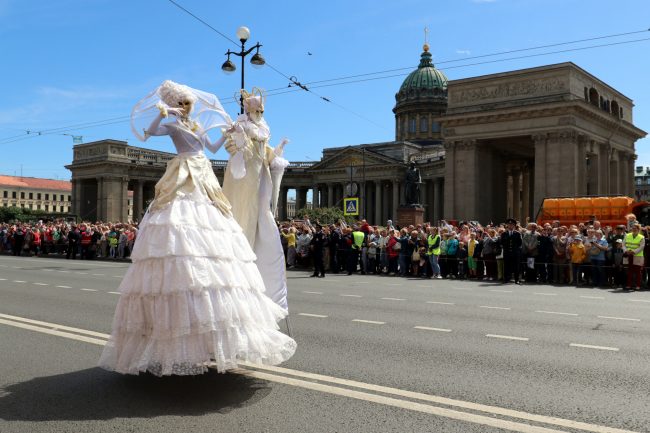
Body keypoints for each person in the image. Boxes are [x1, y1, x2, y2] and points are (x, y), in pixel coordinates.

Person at [99, 80, 295, 376]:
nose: (186, 107)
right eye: (182, 103)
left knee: (213, 237)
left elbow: (212, 147)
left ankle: (211, 336)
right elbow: (150, 133)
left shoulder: (196, 126)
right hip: (183, 173)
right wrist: (161, 114)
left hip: (204, 175)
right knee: (180, 229)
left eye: (187, 103)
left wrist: (230, 135)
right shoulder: (172, 124)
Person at [221, 88, 291, 310]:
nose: (260, 113)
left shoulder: (261, 128)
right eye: (257, 109)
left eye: (261, 110)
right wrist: (239, 138)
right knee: (244, 213)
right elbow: (233, 147)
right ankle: (240, 255)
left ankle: (253, 257)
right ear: (249, 109)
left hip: (260, 175)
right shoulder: (242, 124)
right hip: (244, 177)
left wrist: (277, 150)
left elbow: (266, 151)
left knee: (260, 213)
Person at [501, 218, 522, 284]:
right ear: (507, 225)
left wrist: (515, 250)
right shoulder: (504, 234)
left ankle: (517, 279)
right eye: (509, 225)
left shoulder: (517, 233)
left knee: (516, 266)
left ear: (514, 226)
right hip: (507, 252)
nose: (510, 226)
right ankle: (506, 279)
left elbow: (520, 243)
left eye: (512, 225)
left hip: (515, 253)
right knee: (506, 266)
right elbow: (502, 243)